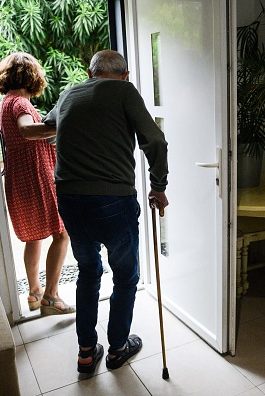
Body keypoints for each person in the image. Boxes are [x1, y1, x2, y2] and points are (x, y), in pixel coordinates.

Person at [43, 50, 169, 373]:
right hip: (113, 200)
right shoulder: (124, 92)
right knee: (125, 276)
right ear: (125, 75)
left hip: (70, 200)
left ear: (90, 72)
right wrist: (158, 186)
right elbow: (154, 141)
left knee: (88, 271)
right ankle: (116, 349)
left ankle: (86, 352)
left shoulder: (69, 93)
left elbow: (46, 125)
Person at [0, 52, 75, 316]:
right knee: (61, 234)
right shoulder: (21, 104)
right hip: (37, 176)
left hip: (21, 177)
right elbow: (27, 131)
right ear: (32, 77)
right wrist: (63, 128)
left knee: (34, 236)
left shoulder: (6, 102)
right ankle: (51, 296)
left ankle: (35, 291)